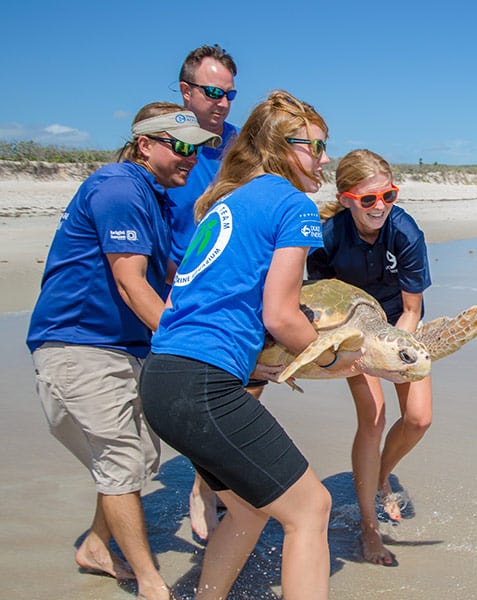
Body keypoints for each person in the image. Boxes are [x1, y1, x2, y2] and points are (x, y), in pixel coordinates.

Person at [140, 90, 358, 599]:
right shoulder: (292, 204)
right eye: (316, 146)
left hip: (163, 379)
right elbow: (280, 315)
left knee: (247, 509)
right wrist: (332, 357)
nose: (325, 159)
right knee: (310, 509)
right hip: (203, 385)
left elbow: (192, 304)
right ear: (285, 146)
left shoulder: (225, 203)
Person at [26, 103, 222, 600]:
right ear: (144, 145)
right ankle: (154, 586)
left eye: (196, 148)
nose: (190, 157)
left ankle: (96, 544)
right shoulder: (118, 187)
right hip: (80, 346)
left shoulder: (153, 199)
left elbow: (176, 280)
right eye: (180, 146)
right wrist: (188, 348)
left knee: (137, 458)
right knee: (120, 459)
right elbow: (132, 282)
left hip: (122, 348)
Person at [307, 149, 433, 567]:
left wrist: (393, 355)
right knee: (374, 417)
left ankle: (380, 475)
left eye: (388, 196)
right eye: (368, 200)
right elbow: (319, 299)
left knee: (418, 418)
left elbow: (412, 309)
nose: (380, 206)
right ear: (346, 199)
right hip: (354, 331)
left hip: (398, 327)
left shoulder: (406, 233)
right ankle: (369, 528)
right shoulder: (327, 235)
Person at [167, 43, 244, 542]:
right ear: (186, 91)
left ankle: (205, 486)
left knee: (228, 393)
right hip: (170, 284)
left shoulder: (242, 145)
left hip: (226, 288)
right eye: (213, 91)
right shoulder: (167, 141)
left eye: (229, 93)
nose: (221, 102)